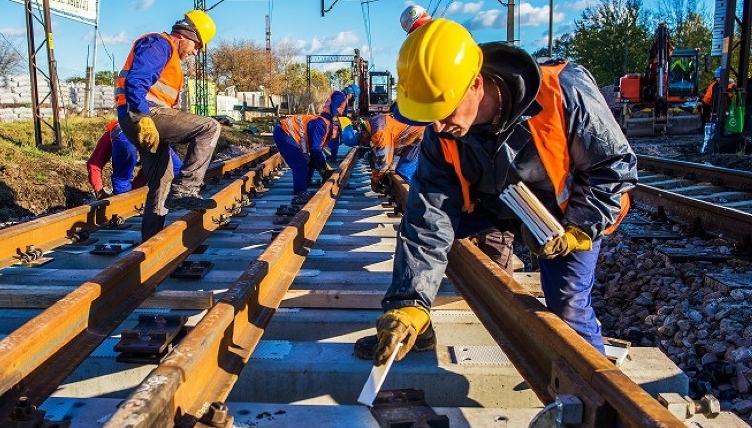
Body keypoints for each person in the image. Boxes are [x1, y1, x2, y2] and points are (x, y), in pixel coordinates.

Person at [355, 18, 637, 365]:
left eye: (444, 113)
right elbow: (428, 218)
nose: (439, 127)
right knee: (440, 246)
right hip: (493, 203)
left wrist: (580, 229)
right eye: (432, 118)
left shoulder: (562, 90)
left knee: (567, 306)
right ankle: (419, 325)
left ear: (475, 84)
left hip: (567, 217)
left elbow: (613, 166)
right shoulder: (441, 132)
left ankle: (595, 389)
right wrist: (408, 303)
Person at [116, 10, 221, 242]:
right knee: (210, 127)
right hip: (145, 115)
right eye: (197, 46)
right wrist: (142, 117)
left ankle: (151, 244)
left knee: (161, 183)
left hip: (144, 120)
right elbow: (136, 81)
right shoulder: (159, 44)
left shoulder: (168, 52)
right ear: (185, 35)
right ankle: (185, 189)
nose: (195, 53)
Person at [272, 92, 345, 205]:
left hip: (289, 134)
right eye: (338, 136)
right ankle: (300, 193)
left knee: (308, 162)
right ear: (337, 129)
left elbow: (315, 153)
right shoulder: (322, 125)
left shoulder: (326, 127)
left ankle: (304, 185)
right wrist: (324, 167)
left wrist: (323, 167)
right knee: (300, 164)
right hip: (284, 133)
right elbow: (315, 150)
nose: (336, 139)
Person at [86, 121, 182, 199]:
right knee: (178, 172)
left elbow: (94, 164)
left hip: (126, 137)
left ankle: (121, 206)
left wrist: (99, 191)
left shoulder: (113, 132)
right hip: (147, 135)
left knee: (122, 179)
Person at [358, 113, 425, 191]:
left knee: (404, 171)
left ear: (363, 132)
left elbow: (384, 161)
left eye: (361, 141)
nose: (364, 143)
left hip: (421, 138)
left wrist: (375, 179)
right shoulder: (374, 122)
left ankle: (413, 198)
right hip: (415, 138)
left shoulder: (379, 132)